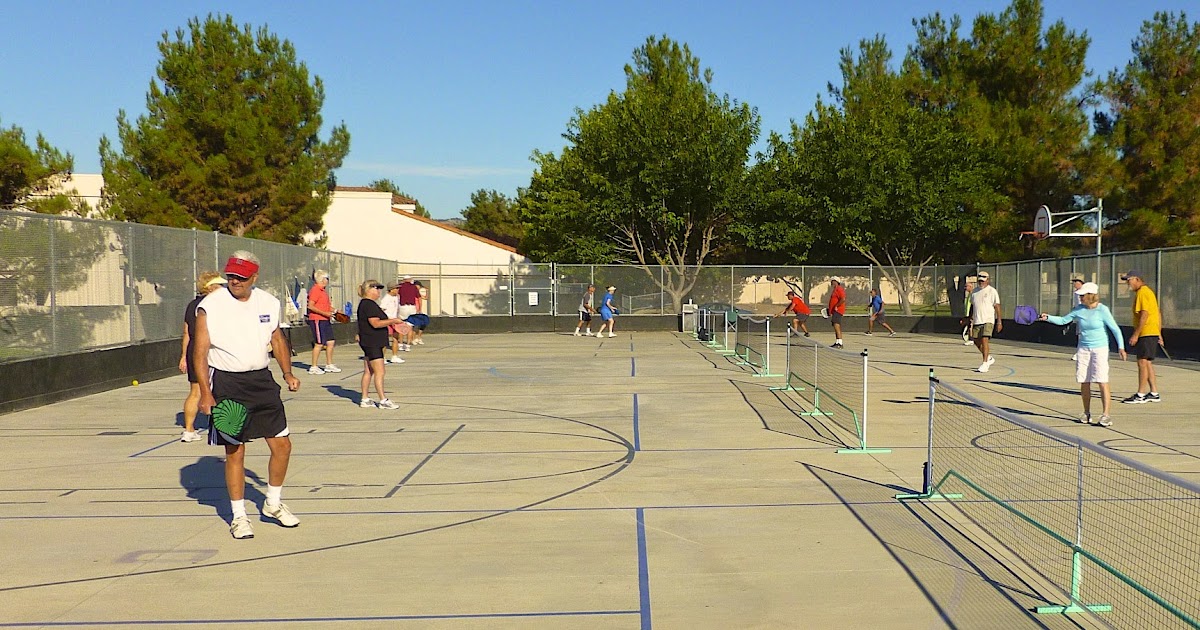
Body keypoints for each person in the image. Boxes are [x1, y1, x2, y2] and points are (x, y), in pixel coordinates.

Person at [194, 251, 301, 540]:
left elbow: (276, 338)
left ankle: (273, 504)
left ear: (254, 277)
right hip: (227, 384)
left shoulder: (268, 302)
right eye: (231, 276)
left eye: (241, 277)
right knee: (235, 450)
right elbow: (200, 352)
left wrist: (287, 373)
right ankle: (239, 516)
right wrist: (205, 393)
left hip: (262, 382)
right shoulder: (210, 305)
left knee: (282, 445)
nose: (235, 281)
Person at [1039, 282, 1127, 427]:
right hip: (1083, 349)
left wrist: (1121, 347)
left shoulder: (1102, 310)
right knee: (1084, 381)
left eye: (1082, 295)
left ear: (1091, 295)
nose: (1080, 298)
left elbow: (1115, 329)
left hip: (1100, 349)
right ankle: (1086, 413)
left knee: (1102, 380)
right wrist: (1047, 317)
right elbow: (1063, 320)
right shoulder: (1079, 309)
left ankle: (1106, 415)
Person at [179, 272, 227, 442]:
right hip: (211, 350)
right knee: (221, 389)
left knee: (195, 391)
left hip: (193, 350)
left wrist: (184, 355)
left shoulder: (192, 305)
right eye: (219, 285)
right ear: (210, 287)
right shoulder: (216, 304)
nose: (222, 288)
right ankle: (222, 426)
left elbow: (187, 333)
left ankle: (189, 430)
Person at [356, 280, 406, 409]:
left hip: (368, 341)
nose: (379, 291)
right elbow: (375, 323)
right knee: (380, 371)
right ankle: (383, 400)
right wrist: (393, 321)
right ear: (369, 290)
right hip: (373, 342)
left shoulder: (366, 304)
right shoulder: (369, 305)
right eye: (376, 288)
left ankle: (365, 399)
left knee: (369, 371)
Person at [1121, 270, 1163, 404]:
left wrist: (1136, 334)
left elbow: (1144, 314)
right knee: (1147, 362)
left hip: (1146, 332)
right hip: (1151, 331)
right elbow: (1157, 313)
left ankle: (1140, 394)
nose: (1128, 283)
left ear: (1137, 279)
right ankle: (1154, 393)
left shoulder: (1142, 292)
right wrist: (1158, 333)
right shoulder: (1148, 292)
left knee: (1142, 362)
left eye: (1129, 280)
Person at [305, 270, 341, 375]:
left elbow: (326, 306)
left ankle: (329, 364)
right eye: (326, 278)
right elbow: (311, 306)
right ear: (322, 279)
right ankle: (313, 367)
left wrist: (336, 311)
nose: (328, 280)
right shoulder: (315, 290)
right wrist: (325, 313)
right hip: (317, 319)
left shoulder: (323, 291)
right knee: (319, 343)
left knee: (330, 342)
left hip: (325, 319)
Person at [969, 271, 1003, 372]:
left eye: (983, 281)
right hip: (977, 320)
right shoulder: (974, 292)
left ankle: (984, 363)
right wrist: (969, 318)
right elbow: (972, 306)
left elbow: (997, 306)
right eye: (980, 281)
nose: (981, 282)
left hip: (988, 320)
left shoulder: (992, 291)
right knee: (976, 340)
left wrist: (999, 321)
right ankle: (988, 358)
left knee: (985, 339)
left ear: (988, 280)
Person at [379, 283, 405, 364]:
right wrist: (387, 319)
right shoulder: (386, 298)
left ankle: (394, 356)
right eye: (396, 288)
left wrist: (398, 318)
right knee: (384, 339)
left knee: (395, 338)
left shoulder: (397, 297)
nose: (398, 290)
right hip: (387, 321)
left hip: (395, 320)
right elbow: (381, 310)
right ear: (391, 289)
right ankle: (382, 358)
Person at [396, 275, 420, 351]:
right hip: (412, 307)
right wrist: (419, 308)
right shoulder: (414, 287)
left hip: (403, 307)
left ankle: (400, 344)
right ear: (410, 280)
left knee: (401, 325)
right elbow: (418, 297)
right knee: (410, 327)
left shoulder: (400, 287)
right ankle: (408, 345)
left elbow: (397, 296)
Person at [827, 277, 846, 348]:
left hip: (838, 310)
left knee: (837, 325)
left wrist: (836, 306)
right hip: (835, 311)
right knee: (835, 326)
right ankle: (837, 342)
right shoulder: (835, 290)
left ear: (836, 282)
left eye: (832, 281)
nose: (831, 282)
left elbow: (843, 299)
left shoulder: (839, 289)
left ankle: (840, 343)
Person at [1069, 277, 1084, 361]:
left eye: (1076, 282)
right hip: (1079, 316)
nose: (1074, 284)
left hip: (1085, 317)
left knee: (1082, 334)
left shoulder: (1086, 292)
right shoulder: (1075, 293)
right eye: (1074, 282)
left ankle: (1080, 353)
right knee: (1079, 334)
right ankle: (1080, 352)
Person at [961, 279, 975, 345]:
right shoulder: (969, 295)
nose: (965, 288)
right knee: (969, 325)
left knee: (970, 326)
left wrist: (972, 314)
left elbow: (973, 305)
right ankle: (970, 338)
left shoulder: (973, 295)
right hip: (968, 313)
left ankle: (971, 339)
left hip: (972, 313)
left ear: (970, 287)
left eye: (966, 286)